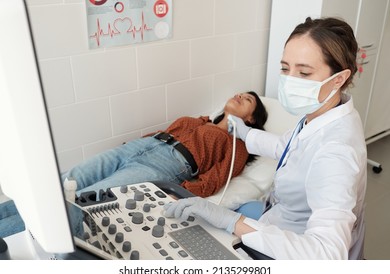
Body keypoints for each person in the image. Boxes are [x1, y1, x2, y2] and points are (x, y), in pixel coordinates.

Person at [164, 17, 367, 260]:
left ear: (338, 79)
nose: (290, 80)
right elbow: (288, 147)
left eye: (303, 72)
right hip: (278, 215)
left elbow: (327, 254)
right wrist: (247, 133)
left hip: (292, 249)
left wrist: (232, 221)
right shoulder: (322, 114)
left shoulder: (336, 152)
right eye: (284, 68)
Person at [61, 91, 268, 198]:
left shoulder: (237, 146)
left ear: (251, 119)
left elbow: (215, 179)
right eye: (239, 93)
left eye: (247, 99)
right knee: (70, 178)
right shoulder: (201, 120)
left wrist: (179, 191)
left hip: (165, 166)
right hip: (137, 148)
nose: (240, 95)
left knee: (92, 197)